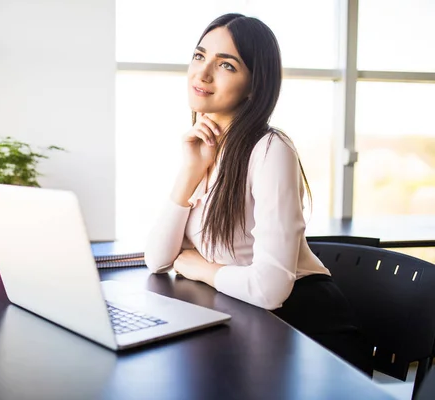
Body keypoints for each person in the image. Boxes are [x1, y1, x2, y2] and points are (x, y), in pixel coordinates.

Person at [144, 13, 373, 376]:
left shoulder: (270, 148)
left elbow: (269, 290)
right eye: (199, 56)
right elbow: (157, 259)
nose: (202, 74)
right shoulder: (204, 149)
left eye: (226, 65)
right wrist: (189, 171)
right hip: (248, 321)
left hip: (312, 341)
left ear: (254, 84)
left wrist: (200, 266)